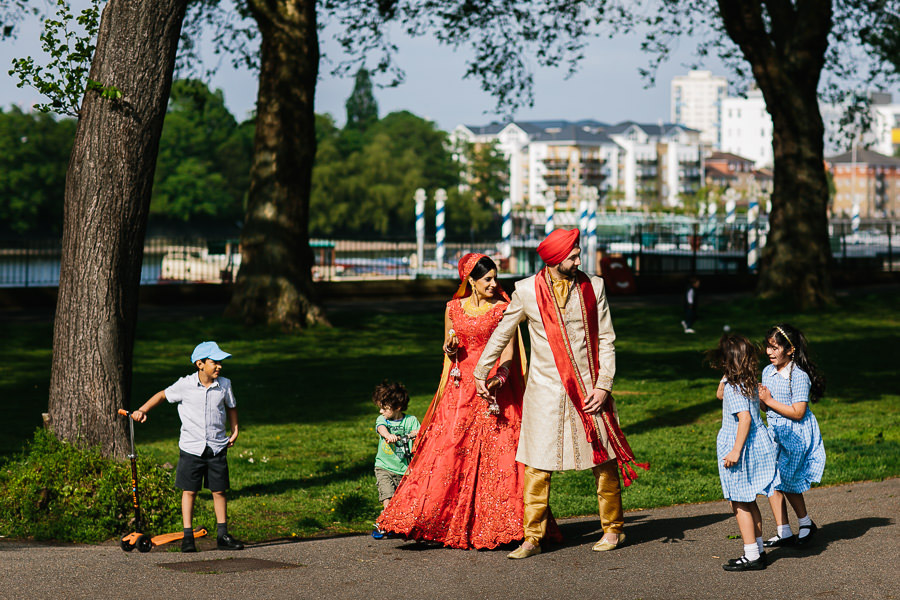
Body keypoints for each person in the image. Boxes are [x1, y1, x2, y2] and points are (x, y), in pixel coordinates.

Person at [473, 229, 646, 559]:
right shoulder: (525, 291)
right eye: (573, 257)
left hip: (589, 390)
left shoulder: (594, 286)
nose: (579, 261)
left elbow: (607, 340)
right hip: (545, 394)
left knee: (605, 463)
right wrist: (482, 371)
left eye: (578, 255)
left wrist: (604, 385)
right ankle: (531, 538)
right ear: (553, 260)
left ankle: (613, 530)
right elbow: (501, 334)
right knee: (537, 467)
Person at [376, 253, 534, 549]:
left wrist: (498, 380)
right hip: (459, 390)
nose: (494, 283)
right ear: (470, 281)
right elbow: (450, 348)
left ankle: (505, 525)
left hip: (493, 389)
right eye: (487, 279)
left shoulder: (504, 309)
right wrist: (449, 349)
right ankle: (434, 521)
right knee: (448, 453)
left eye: (495, 278)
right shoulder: (452, 308)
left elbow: (510, 353)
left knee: (499, 456)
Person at [130, 341, 243, 553]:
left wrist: (235, 429)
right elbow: (163, 395)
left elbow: (231, 407)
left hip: (217, 447)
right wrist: (142, 410)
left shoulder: (225, 385)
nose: (219, 366)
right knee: (189, 491)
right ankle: (188, 536)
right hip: (192, 448)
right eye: (215, 362)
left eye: (220, 362)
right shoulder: (186, 385)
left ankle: (223, 535)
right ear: (200, 364)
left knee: (219, 491)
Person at [708, 334, 779, 572]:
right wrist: (728, 374)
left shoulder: (735, 388)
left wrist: (735, 451)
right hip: (755, 444)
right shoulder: (744, 383)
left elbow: (745, 418)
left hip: (740, 448)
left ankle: (751, 555)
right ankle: (757, 549)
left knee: (739, 502)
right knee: (748, 500)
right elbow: (719, 394)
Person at [758, 323, 826, 548]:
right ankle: (783, 531)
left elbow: (798, 413)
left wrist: (769, 401)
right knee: (771, 480)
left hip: (796, 435)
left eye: (775, 347)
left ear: (790, 349)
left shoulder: (798, 376)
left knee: (787, 480)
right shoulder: (768, 371)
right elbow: (767, 408)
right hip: (776, 433)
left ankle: (806, 522)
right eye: (768, 347)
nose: (769, 352)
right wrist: (760, 400)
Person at [371, 380, 420, 539]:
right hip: (384, 467)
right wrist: (388, 435)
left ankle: (398, 524)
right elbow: (381, 428)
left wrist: (414, 434)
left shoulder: (410, 420)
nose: (380, 411)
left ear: (397, 407)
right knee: (388, 496)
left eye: (384, 408)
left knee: (402, 501)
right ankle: (385, 522)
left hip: (403, 469)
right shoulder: (383, 420)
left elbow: (418, 431)